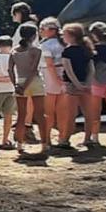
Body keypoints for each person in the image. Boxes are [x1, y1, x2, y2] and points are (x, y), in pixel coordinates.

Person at [10, 23, 50, 155]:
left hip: (20, 81)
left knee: (21, 116)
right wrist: (25, 85)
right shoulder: (36, 51)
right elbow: (33, 70)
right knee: (40, 114)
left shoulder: (14, 51)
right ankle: (44, 143)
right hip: (34, 82)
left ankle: (19, 144)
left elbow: (10, 70)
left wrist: (16, 84)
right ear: (34, 36)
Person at [53, 22, 93, 151]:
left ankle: (65, 139)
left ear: (71, 36)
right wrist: (87, 83)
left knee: (71, 114)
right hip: (85, 84)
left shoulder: (67, 52)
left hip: (72, 85)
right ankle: (88, 139)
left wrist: (77, 85)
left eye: (64, 34)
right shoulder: (87, 50)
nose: (62, 36)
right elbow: (91, 70)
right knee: (88, 113)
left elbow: (69, 71)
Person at [37, 17, 67, 148]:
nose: (40, 31)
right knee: (62, 110)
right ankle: (62, 138)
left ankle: (47, 140)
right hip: (65, 74)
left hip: (50, 77)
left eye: (42, 29)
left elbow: (50, 65)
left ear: (50, 30)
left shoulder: (45, 45)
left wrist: (57, 80)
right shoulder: (64, 43)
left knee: (48, 111)